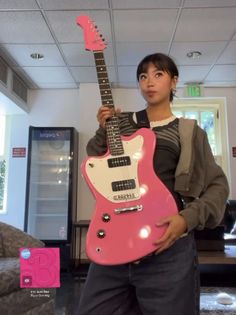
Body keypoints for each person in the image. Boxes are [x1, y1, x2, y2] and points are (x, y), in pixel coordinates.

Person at [76, 53, 229, 315]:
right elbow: (96, 160)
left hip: (167, 247)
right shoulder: (122, 123)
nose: (149, 82)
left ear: (174, 82)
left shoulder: (189, 131)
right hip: (114, 240)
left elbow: (218, 186)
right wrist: (104, 129)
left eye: (158, 74)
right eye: (143, 76)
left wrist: (187, 219)